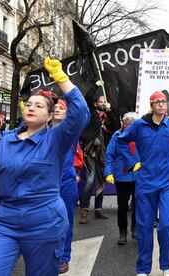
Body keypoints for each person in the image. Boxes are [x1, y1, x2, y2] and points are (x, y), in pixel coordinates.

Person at [0, 57, 89, 275]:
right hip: (4, 223)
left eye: (39, 105)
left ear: (49, 114)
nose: (31, 108)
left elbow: (81, 112)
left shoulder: (56, 139)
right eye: (29, 104)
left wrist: (61, 79)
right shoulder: (4, 141)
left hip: (44, 223)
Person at [118, 89, 169, 276]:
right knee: (144, 226)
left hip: (166, 183)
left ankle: (165, 265)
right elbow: (121, 141)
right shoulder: (139, 125)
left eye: (164, 101)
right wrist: (132, 163)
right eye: (158, 102)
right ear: (152, 105)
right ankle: (143, 269)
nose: (162, 104)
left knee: (165, 225)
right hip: (145, 183)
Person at [51, 98, 86, 273]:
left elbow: (83, 115)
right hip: (45, 183)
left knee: (65, 221)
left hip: (66, 182)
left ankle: (64, 257)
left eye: (61, 108)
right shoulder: (41, 129)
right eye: (55, 107)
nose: (57, 109)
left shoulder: (71, 130)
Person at [79, 93, 121, 223]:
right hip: (90, 152)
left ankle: (98, 209)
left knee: (101, 181)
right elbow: (86, 99)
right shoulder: (91, 114)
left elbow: (116, 127)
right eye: (100, 102)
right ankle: (84, 210)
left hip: (103, 153)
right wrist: (95, 87)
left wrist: (111, 110)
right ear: (95, 103)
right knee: (90, 181)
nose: (103, 103)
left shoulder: (108, 116)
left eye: (104, 102)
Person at [105, 112, 140, 244]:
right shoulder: (117, 136)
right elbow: (109, 156)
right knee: (122, 207)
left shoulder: (140, 135)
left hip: (139, 177)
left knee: (138, 205)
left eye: (133, 123)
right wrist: (108, 173)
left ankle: (135, 228)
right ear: (123, 123)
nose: (130, 126)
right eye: (128, 123)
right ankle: (122, 232)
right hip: (122, 177)